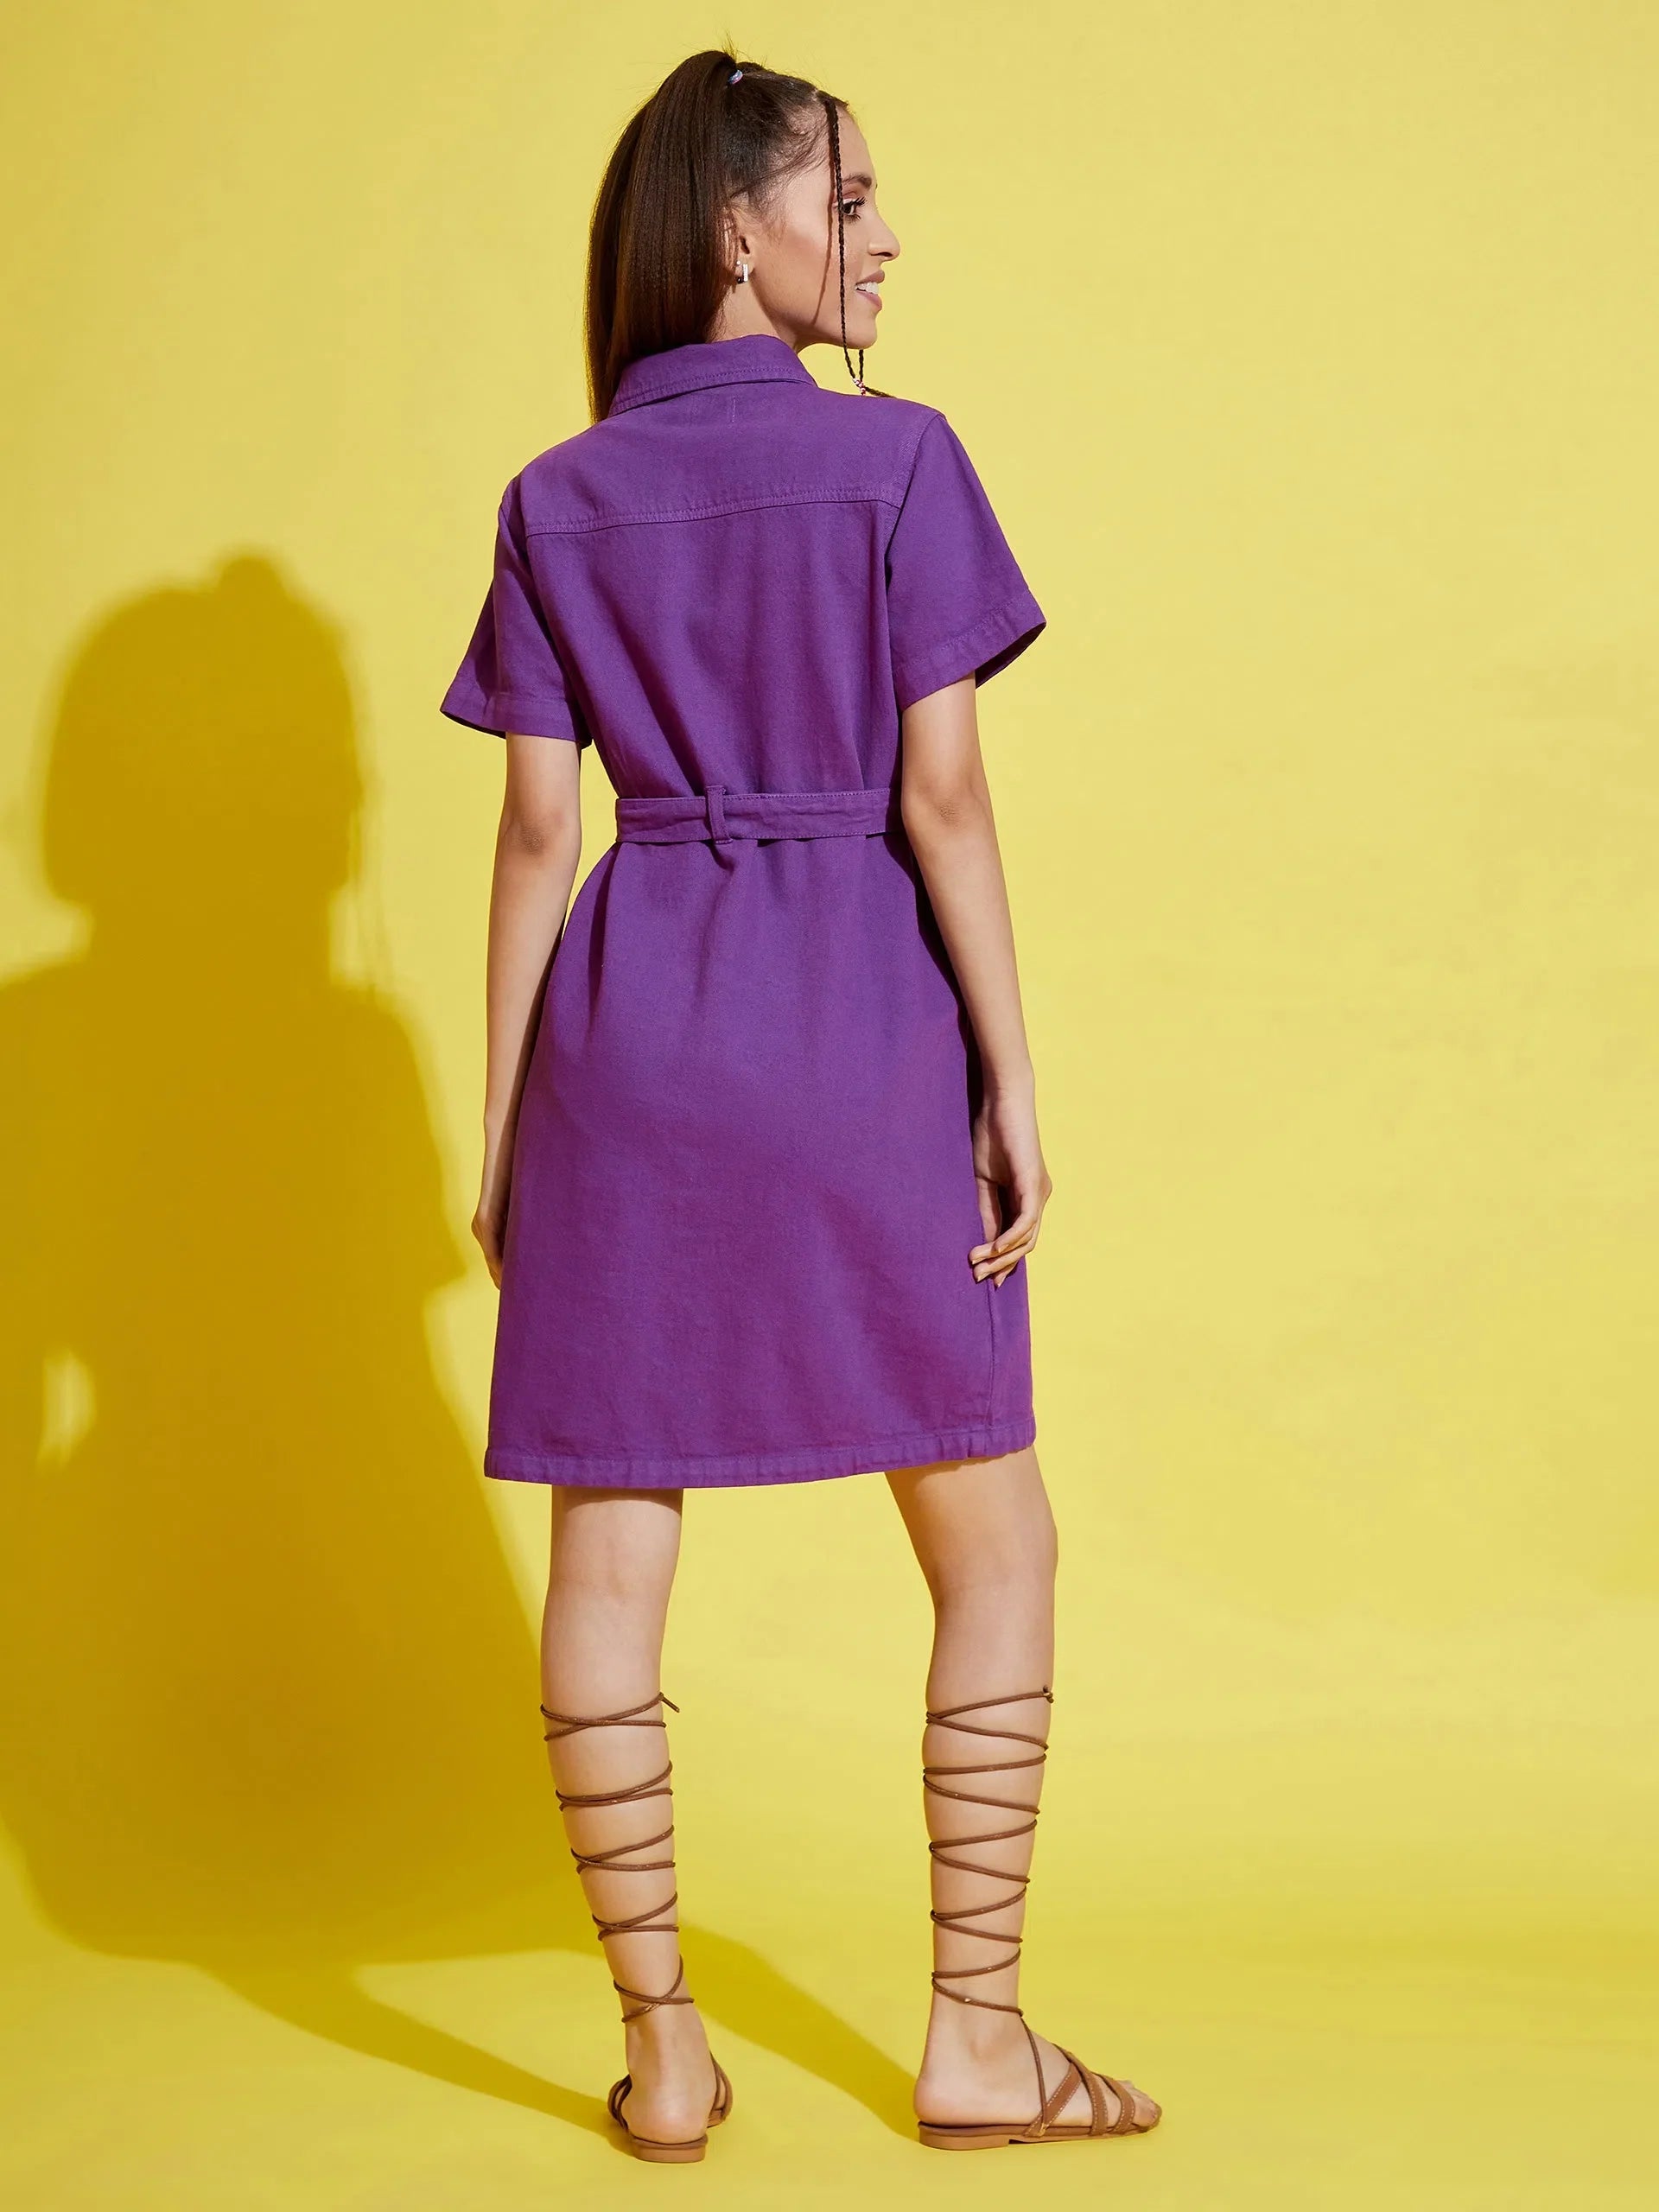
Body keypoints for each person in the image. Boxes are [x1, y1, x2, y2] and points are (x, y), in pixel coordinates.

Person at [439, 48, 1162, 2164]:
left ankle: (664, 2053)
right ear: (738, 232)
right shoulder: (900, 459)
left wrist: (506, 1131)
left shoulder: (555, 496)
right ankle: (977, 2036)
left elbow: (535, 835)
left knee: (608, 1550)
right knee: (997, 1540)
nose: (886, 235)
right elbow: (943, 795)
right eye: (849, 197)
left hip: (628, 1045)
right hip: (857, 1032)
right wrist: (1013, 1071)